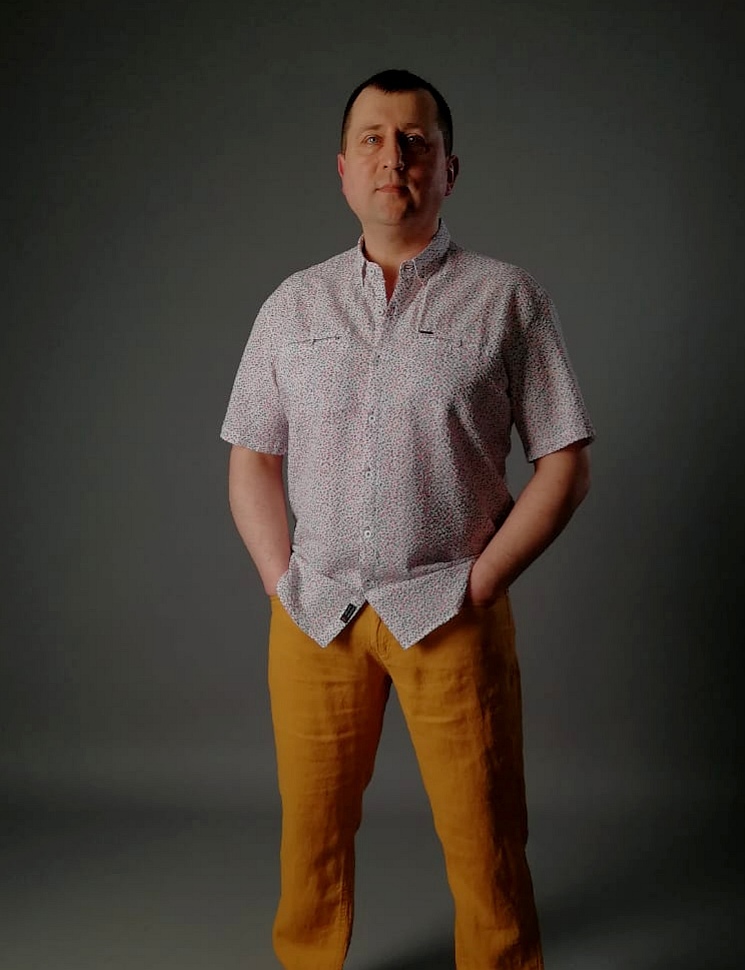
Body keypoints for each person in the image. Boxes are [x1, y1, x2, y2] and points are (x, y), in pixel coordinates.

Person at [222, 68, 594, 970]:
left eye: (416, 141)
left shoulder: (507, 298)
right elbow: (251, 456)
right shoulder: (291, 306)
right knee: (310, 837)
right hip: (316, 614)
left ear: (448, 170)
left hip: (449, 608)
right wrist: (279, 579)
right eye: (374, 140)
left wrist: (484, 581)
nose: (394, 157)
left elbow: (565, 462)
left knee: (486, 837)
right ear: (343, 170)